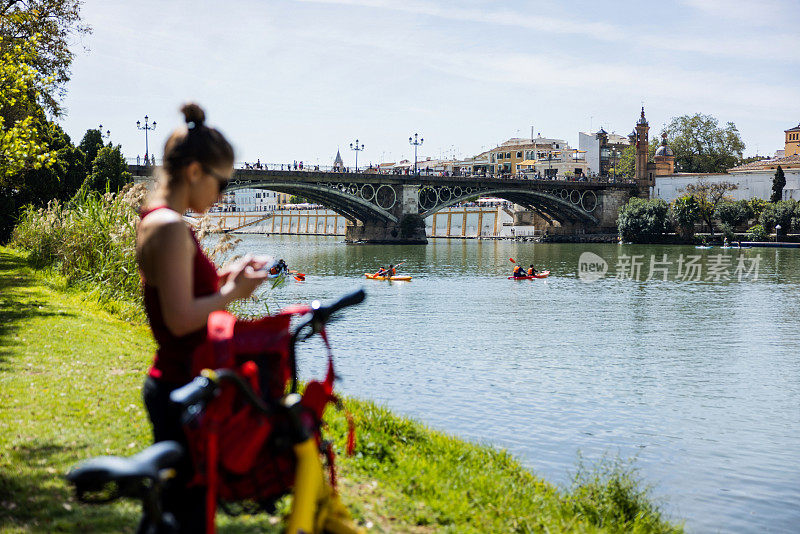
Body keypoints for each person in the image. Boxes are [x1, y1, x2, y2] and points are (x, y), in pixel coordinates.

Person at [136, 103, 271, 532]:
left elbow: (175, 298)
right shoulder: (173, 228)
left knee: (170, 514)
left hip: (174, 380)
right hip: (182, 385)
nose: (223, 194)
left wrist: (224, 280)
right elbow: (179, 320)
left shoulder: (156, 220)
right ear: (195, 172)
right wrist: (234, 292)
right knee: (188, 515)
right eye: (222, 181)